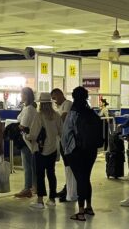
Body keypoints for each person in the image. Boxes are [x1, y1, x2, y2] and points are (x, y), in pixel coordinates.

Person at [62, 87, 98, 221]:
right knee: (86, 178)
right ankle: (89, 207)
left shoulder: (73, 113)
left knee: (80, 179)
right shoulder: (91, 112)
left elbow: (65, 134)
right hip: (91, 150)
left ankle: (81, 211)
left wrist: (66, 150)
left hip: (76, 151)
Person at [27, 93, 63, 210]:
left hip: (40, 150)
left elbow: (33, 134)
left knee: (40, 175)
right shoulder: (56, 115)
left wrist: (26, 136)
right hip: (52, 149)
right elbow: (61, 132)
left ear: (41, 104)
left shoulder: (39, 116)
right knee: (51, 174)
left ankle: (40, 201)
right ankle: (52, 199)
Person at [51, 88, 77, 203]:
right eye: (53, 99)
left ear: (61, 94)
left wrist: (53, 125)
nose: (54, 101)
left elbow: (63, 118)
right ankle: (68, 188)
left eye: (55, 97)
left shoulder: (68, 104)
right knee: (67, 166)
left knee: (70, 165)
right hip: (62, 140)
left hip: (68, 141)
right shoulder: (58, 107)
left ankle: (71, 191)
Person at [15, 87, 37, 198]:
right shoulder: (27, 108)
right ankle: (33, 186)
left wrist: (18, 126)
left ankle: (27, 188)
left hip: (26, 141)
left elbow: (23, 125)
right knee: (31, 165)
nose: (20, 96)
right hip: (29, 141)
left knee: (27, 166)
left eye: (22, 94)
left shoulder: (29, 109)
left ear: (26, 96)